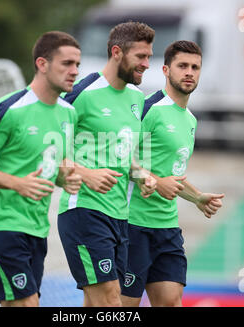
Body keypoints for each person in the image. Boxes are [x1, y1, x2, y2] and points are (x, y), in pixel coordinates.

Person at [0, 31, 82, 307]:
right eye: (66, 63)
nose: (74, 71)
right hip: (2, 226)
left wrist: (66, 178)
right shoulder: (10, 109)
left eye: (77, 64)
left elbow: (54, 163)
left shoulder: (68, 113)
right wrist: (17, 183)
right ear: (42, 64)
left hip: (37, 230)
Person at [57, 21, 157, 307]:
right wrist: (86, 174)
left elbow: (125, 155)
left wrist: (141, 175)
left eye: (149, 56)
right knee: (112, 301)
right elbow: (49, 150)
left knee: (97, 302)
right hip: (84, 211)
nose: (147, 64)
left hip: (120, 217)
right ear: (117, 52)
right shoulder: (81, 93)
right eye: (141, 56)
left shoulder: (138, 98)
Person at [121, 40, 225, 307]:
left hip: (167, 229)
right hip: (133, 225)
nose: (189, 72)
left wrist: (198, 198)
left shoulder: (191, 120)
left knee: (171, 302)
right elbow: (118, 157)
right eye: (182, 66)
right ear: (166, 70)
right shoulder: (148, 109)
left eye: (195, 67)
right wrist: (153, 182)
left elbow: (172, 174)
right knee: (124, 307)